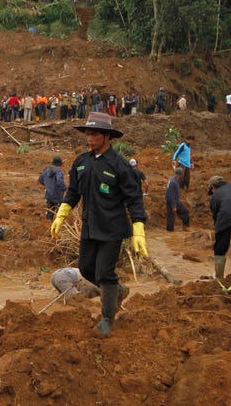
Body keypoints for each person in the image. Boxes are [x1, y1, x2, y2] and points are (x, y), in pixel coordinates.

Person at [49, 112, 147, 336]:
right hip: (90, 226)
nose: (89, 138)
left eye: (94, 134)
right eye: (87, 133)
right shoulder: (81, 162)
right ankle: (117, 290)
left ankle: (107, 319)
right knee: (86, 268)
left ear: (106, 136)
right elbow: (73, 192)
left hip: (112, 229)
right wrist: (61, 215)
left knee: (104, 272)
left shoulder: (120, 165)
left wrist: (139, 228)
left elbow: (134, 198)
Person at [38, 156, 67, 220]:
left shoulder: (46, 170)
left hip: (48, 194)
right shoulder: (59, 171)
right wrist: (64, 188)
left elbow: (40, 180)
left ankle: (48, 223)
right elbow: (60, 182)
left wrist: (47, 185)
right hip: (57, 195)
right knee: (59, 212)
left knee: (50, 210)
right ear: (60, 164)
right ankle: (58, 226)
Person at [165, 167, 190, 231]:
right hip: (172, 202)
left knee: (182, 212)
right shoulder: (173, 182)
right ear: (181, 174)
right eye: (182, 174)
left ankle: (183, 227)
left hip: (174, 201)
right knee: (171, 217)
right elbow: (171, 195)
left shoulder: (173, 180)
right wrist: (174, 206)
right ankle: (170, 231)